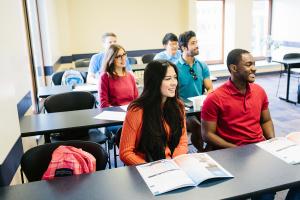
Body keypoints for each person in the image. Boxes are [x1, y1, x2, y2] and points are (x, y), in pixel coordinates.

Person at [201, 48, 300, 200]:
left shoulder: (259, 91)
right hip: (231, 154)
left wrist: (272, 141)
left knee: (294, 181)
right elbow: (207, 135)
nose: (254, 68)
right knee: (264, 194)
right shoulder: (214, 98)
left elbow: (265, 120)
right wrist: (236, 150)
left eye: (254, 64)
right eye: (248, 64)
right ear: (233, 68)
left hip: (259, 150)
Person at [119, 60, 188, 166]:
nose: (174, 82)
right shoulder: (137, 110)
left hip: (173, 165)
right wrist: (152, 168)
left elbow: (182, 142)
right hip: (146, 167)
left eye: (175, 77)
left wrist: (174, 163)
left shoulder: (178, 106)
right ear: (154, 82)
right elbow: (125, 153)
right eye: (168, 79)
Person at [176, 30, 213, 152]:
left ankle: (208, 150)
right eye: (193, 43)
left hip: (200, 106)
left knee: (219, 121)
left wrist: (207, 94)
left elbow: (210, 88)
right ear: (183, 47)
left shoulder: (202, 65)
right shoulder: (174, 67)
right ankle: (201, 151)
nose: (197, 45)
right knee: (196, 125)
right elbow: (172, 94)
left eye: (196, 42)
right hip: (182, 110)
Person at [98, 44, 138, 108]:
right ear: (112, 59)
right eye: (119, 56)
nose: (123, 58)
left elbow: (136, 100)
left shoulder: (130, 76)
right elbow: (104, 104)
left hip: (130, 111)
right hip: (114, 113)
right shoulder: (105, 77)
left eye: (124, 54)